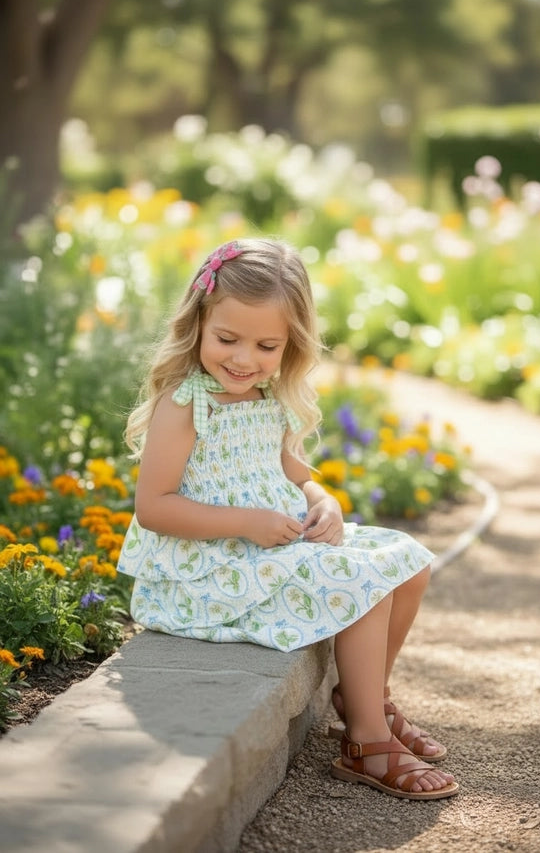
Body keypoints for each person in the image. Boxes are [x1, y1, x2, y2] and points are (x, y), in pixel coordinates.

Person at [117, 237, 458, 801]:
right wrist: (246, 522)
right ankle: (366, 740)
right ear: (198, 323)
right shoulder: (185, 403)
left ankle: (363, 696)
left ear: (289, 346)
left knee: (408, 561)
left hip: (269, 549)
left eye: (266, 345)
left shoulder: (266, 395)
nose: (244, 359)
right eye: (227, 339)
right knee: (362, 584)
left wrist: (323, 498)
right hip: (210, 573)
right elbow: (154, 507)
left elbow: (294, 470)